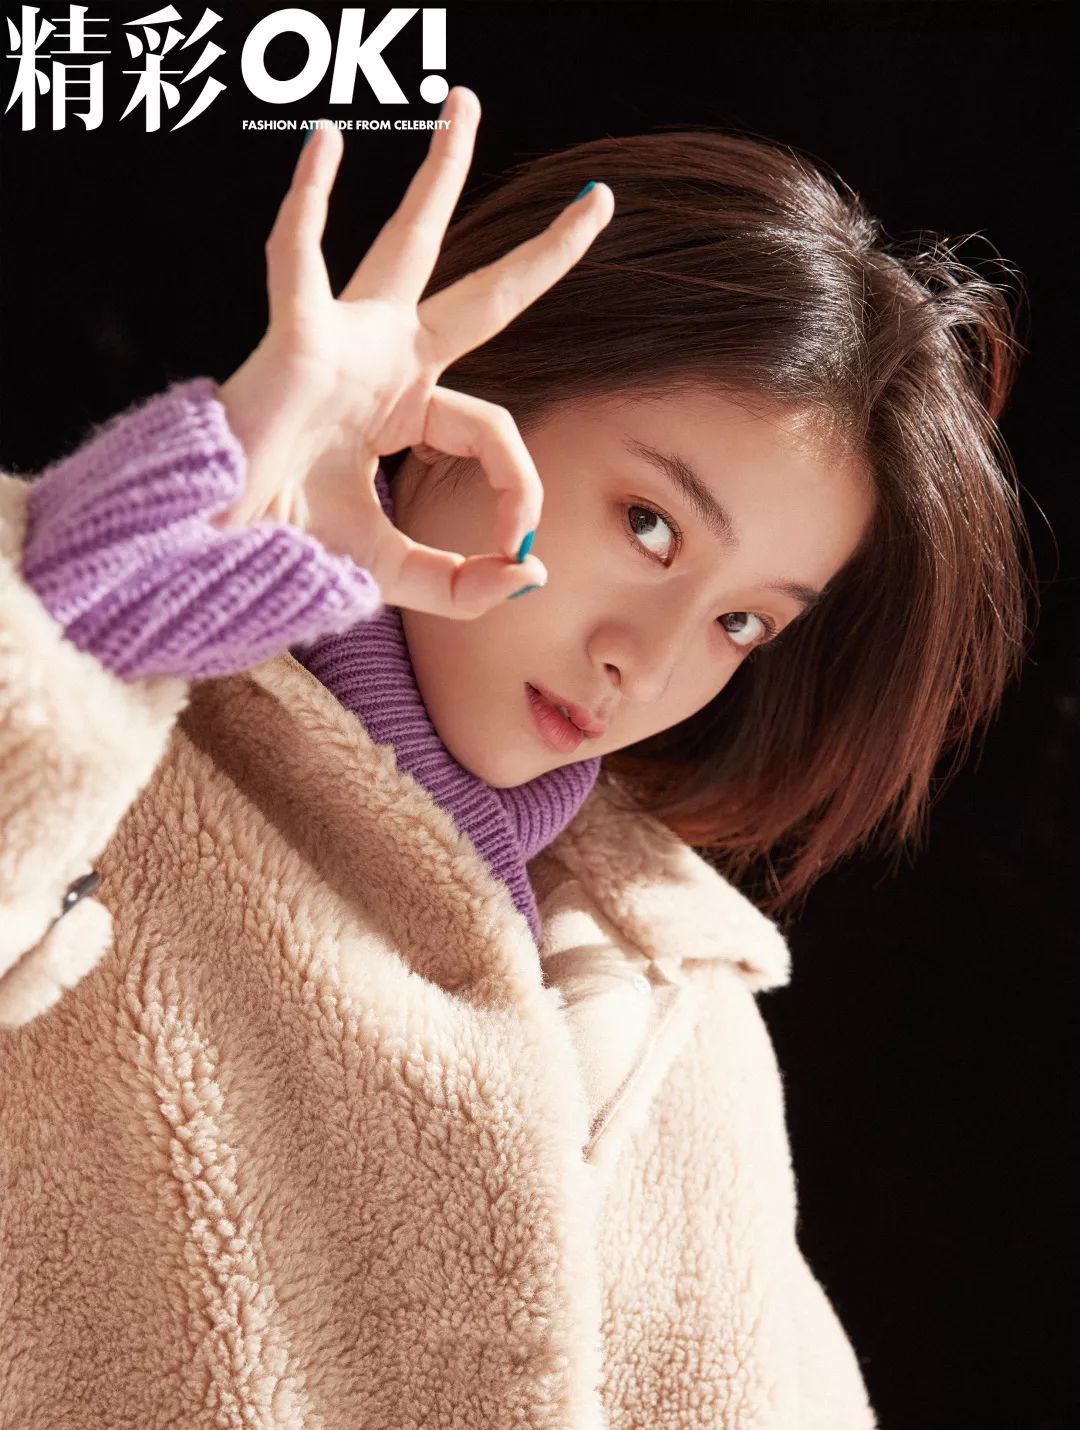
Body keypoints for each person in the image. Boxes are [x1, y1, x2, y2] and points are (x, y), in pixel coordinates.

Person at [0, 87, 1031, 1427]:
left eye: (742, 622)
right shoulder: (110, 731)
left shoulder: (681, 1000)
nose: (646, 662)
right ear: (467, 398)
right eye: (650, 524)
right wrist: (151, 543)